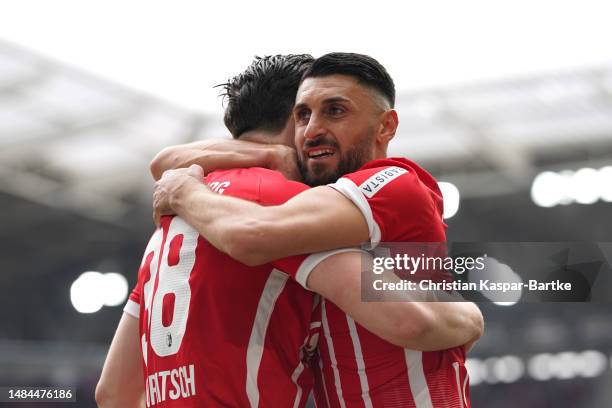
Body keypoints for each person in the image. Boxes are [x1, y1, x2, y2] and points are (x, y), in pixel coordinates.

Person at [97, 54, 481, 408]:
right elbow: (408, 320)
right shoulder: (281, 203)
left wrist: (184, 191)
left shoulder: (174, 226)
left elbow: (112, 393)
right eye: (303, 115)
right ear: (289, 122)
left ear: (386, 125)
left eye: (334, 111)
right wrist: (466, 316)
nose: (313, 130)